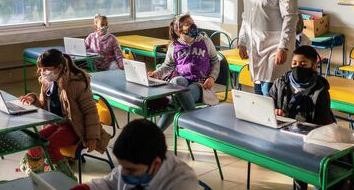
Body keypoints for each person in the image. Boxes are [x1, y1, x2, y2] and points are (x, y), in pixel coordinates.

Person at [18, 49, 111, 179]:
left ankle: (66, 181)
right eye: (41, 69)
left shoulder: (76, 83)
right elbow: (44, 107)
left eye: (46, 69)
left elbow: (91, 113)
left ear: (59, 68)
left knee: (49, 146)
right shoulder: (47, 82)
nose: (42, 73)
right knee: (34, 141)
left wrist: (92, 138)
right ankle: (36, 176)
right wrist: (33, 100)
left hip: (76, 128)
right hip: (58, 123)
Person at [269, 45, 334, 190]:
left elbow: (321, 123)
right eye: (294, 64)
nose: (298, 67)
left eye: (303, 64)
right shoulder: (281, 83)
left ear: (314, 67)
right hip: (285, 136)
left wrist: (295, 122)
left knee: (316, 176)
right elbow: (268, 104)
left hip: (313, 140)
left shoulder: (320, 90)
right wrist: (276, 112)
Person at [70, 119, 200, 190]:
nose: (124, 174)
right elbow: (108, 184)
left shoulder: (182, 183)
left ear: (156, 163)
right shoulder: (132, 164)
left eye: (131, 170)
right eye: (122, 167)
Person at [238, 0, 298, 96]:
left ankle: (276, 119)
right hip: (255, 44)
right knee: (258, 90)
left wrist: (283, 47)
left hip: (275, 45)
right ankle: (262, 120)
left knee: (269, 91)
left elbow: (290, 16)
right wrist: (242, 41)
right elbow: (246, 16)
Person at [147, 14, 220, 131]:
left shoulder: (205, 41)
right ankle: (195, 122)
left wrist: (212, 78)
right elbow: (167, 65)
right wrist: (156, 74)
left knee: (176, 101)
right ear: (179, 30)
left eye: (192, 22)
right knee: (176, 81)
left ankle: (156, 134)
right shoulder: (174, 46)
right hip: (183, 80)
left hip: (201, 85)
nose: (193, 25)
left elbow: (215, 61)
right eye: (188, 24)